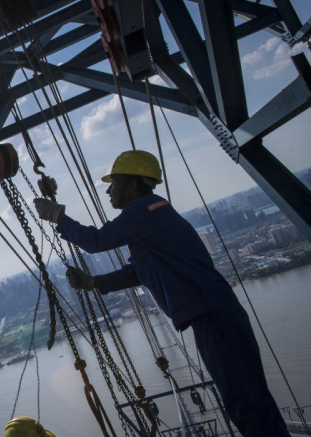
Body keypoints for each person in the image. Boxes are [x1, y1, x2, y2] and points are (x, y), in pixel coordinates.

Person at [34, 150, 290, 437]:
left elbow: (97, 241)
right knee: (245, 400)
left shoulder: (144, 211)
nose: (108, 190)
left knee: (247, 403)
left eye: (115, 182)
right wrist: (95, 282)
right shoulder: (152, 215)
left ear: (133, 184)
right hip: (213, 316)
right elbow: (139, 271)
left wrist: (59, 217)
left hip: (214, 318)